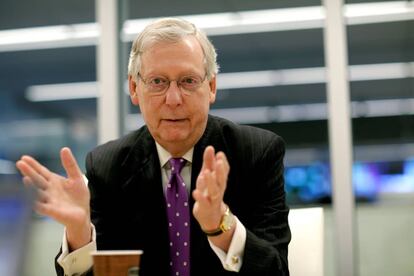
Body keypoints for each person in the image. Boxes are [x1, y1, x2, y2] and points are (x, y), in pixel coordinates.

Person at [16, 18, 290, 276]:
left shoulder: (256, 152)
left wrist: (220, 225)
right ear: (134, 89)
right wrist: (80, 234)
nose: (173, 99)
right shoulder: (109, 167)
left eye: (188, 81)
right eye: (157, 82)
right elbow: (112, 273)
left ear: (211, 87)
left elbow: (276, 270)